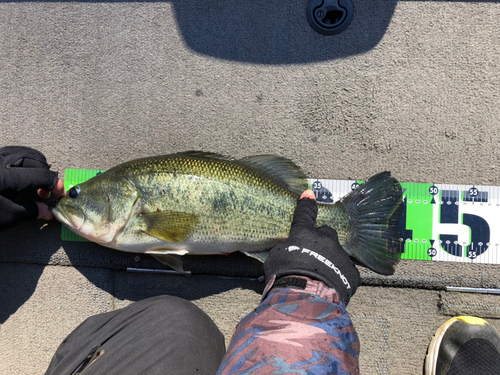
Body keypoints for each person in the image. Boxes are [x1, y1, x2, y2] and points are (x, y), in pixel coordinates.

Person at [2, 146, 500, 375]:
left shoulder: (136, 214)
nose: (73, 206)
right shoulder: (126, 206)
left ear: (124, 202)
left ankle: (349, 222)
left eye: (84, 197)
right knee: (179, 324)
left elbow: (168, 239)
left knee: (178, 322)